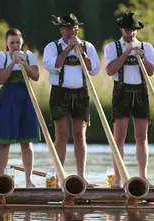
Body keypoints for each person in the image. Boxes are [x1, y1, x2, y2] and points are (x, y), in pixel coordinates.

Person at [42, 13, 100, 186]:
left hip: (81, 94)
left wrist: (80, 50)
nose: (72, 30)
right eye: (68, 27)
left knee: (80, 136)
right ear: (61, 29)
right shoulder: (52, 47)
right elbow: (54, 66)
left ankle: (81, 176)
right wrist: (68, 49)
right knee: (61, 136)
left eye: (74, 27)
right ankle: (60, 176)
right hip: (60, 93)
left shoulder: (87, 46)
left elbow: (94, 69)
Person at [104, 12, 154, 188]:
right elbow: (110, 70)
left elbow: (150, 71)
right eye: (128, 30)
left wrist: (141, 57)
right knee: (119, 137)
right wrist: (126, 53)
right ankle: (118, 179)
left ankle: (144, 177)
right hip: (121, 91)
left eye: (133, 30)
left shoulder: (146, 47)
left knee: (142, 137)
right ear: (121, 29)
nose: (131, 33)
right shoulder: (112, 47)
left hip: (140, 91)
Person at [0, 28, 40, 187]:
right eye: (12, 43)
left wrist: (24, 64)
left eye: (17, 42)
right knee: (5, 140)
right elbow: (0, 79)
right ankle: (1, 178)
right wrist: (12, 63)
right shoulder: (1, 57)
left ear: (22, 42)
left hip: (26, 97)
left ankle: (28, 180)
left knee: (27, 141)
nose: (15, 45)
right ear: (7, 43)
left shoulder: (29, 56)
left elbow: (36, 76)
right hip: (8, 99)